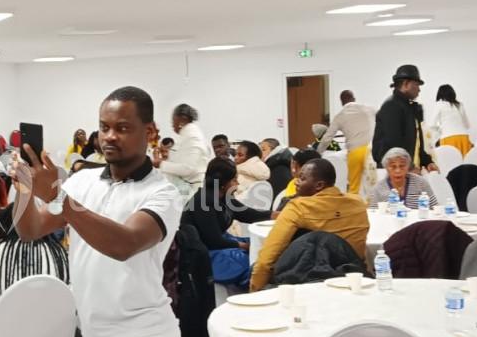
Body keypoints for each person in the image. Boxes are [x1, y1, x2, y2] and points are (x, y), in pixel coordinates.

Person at [14, 86, 183, 337]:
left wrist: (60, 197)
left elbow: (125, 243)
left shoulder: (163, 192)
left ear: (149, 132)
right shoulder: (84, 180)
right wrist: (25, 189)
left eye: (122, 128)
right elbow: (31, 229)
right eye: (104, 127)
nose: (109, 136)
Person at [251, 159, 369, 291]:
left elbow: (266, 260)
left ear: (319, 185)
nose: (296, 181)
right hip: (354, 279)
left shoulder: (298, 207)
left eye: (302, 178)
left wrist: (255, 291)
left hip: (307, 283)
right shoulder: (358, 203)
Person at [182, 158, 272, 288]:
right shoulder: (203, 202)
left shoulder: (224, 197)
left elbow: (247, 214)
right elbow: (214, 241)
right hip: (207, 254)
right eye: (234, 179)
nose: (238, 183)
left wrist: (274, 215)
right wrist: (245, 246)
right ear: (223, 183)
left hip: (221, 243)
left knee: (262, 248)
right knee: (256, 264)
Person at [372, 64, 435, 172]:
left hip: (405, 170)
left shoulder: (409, 108)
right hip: (394, 173)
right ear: (405, 84)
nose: (419, 89)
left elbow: (416, 143)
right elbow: (393, 145)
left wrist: (427, 161)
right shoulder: (391, 106)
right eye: (416, 84)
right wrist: (409, 167)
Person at [315, 89, 378, 195]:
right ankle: (372, 208)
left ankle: (353, 208)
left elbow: (327, 137)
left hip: (354, 152)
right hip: (370, 151)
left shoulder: (340, 116)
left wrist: (317, 153)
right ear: (354, 99)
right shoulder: (368, 108)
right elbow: (382, 116)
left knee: (354, 187)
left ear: (341, 102)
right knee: (372, 184)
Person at [155, 103, 211, 197]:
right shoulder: (187, 134)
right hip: (186, 187)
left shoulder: (192, 135)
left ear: (182, 118)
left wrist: (161, 164)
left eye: (173, 120)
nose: (172, 124)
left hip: (193, 191)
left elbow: (187, 168)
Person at [368, 147, 437, 208]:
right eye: (393, 166)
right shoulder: (378, 189)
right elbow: (372, 214)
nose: (398, 170)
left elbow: (435, 207)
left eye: (402, 166)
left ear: (408, 166)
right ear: (386, 168)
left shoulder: (421, 183)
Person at [428, 84, 472, 155]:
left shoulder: (439, 104)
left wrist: (440, 130)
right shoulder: (460, 105)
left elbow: (431, 125)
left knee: (450, 164)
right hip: (464, 137)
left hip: (448, 138)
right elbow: (467, 125)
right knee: (464, 164)